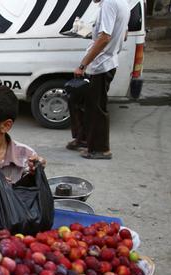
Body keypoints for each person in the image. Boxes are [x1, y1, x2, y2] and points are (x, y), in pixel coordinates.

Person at [68, 0, 129, 160]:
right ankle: (84, 139)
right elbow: (124, 33)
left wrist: (83, 65)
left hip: (102, 65)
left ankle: (101, 149)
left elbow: (105, 37)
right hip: (104, 62)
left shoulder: (109, 3)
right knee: (82, 102)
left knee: (97, 108)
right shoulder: (122, 3)